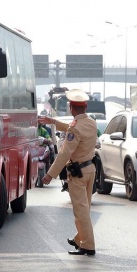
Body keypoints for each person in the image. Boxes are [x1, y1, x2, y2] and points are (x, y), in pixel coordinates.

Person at [38, 89, 98, 256]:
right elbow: (74, 128)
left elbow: (65, 154)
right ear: (85, 107)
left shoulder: (75, 129)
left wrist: (50, 174)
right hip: (90, 170)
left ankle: (88, 245)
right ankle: (80, 239)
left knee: (80, 211)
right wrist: (54, 122)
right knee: (84, 208)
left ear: (71, 108)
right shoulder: (91, 123)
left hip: (78, 173)